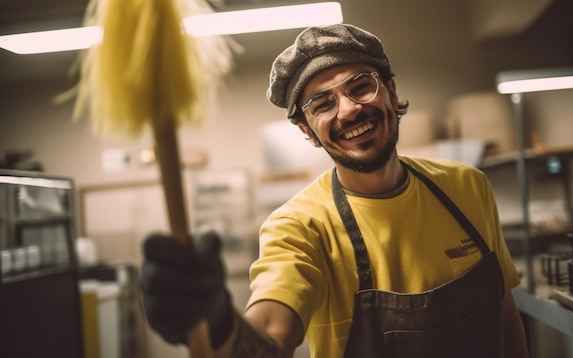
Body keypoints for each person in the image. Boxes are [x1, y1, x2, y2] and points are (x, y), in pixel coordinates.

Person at [141, 23, 529, 358]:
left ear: (391, 93)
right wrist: (220, 326)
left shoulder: (467, 186)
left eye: (361, 86)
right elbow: (273, 336)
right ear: (308, 132)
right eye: (322, 104)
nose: (347, 110)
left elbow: (504, 313)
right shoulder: (298, 227)